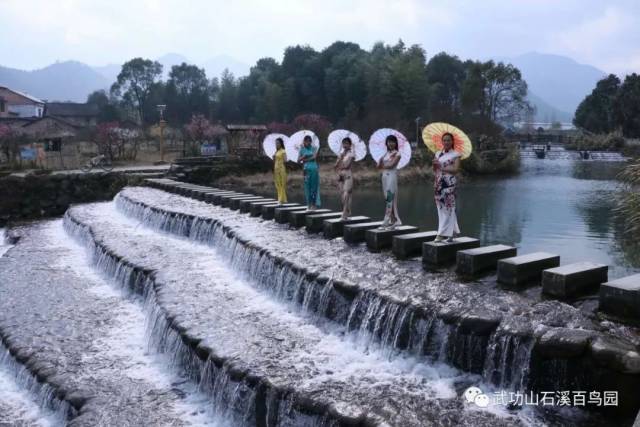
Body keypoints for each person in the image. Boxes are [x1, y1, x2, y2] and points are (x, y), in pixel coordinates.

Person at [432, 132, 461, 242]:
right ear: (442, 141)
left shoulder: (456, 155)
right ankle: (452, 233)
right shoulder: (438, 153)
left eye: (448, 140)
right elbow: (435, 170)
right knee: (441, 208)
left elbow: (455, 170)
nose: (446, 142)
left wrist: (441, 167)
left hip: (449, 183)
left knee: (449, 207)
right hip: (438, 182)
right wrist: (434, 164)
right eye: (444, 140)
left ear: (452, 141)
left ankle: (441, 233)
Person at [377, 134, 402, 229]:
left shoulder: (397, 154)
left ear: (396, 143)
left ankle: (386, 221)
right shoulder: (385, 154)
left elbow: (391, 165)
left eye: (392, 141)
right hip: (384, 177)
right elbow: (378, 167)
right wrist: (380, 161)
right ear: (386, 143)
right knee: (387, 199)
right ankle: (395, 220)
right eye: (389, 142)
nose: (390, 143)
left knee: (390, 198)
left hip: (392, 176)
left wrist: (383, 165)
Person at [334, 137, 355, 219]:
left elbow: (347, 165)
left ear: (350, 145)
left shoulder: (351, 154)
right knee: (342, 195)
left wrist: (341, 160)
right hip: (340, 175)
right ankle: (348, 210)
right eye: (344, 143)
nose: (345, 145)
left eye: (347, 143)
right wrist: (339, 159)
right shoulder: (340, 153)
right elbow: (335, 166)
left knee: (346, 193)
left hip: (348, 174)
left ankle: (344, 213)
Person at [298, 135, 321, 209]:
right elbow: (298, 160)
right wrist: (303, 157)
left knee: (313, 188)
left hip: (314, 169)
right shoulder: (301, 149)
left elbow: (314, 157)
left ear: (311, 142)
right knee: (307, 187)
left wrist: (305, 160)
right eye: (306, 141)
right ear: (304, 141)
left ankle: (314, 204)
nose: (307, 142)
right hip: (305, 171)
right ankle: (308, 204)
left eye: (309, 141)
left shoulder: (314, 148)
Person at [273, 138, 288, 204]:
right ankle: (282, 199)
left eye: (278, 143)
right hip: (276, 169)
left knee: (282, 184)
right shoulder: (276, 151)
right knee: (277, 184)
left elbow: (285, 160)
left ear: (281, 144)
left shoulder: (283, 151)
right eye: (276, 143)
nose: (277, 144)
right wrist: (274, 157)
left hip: (281, 169)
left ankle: (281, 199)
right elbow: (274, 161)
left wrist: (280, 158)